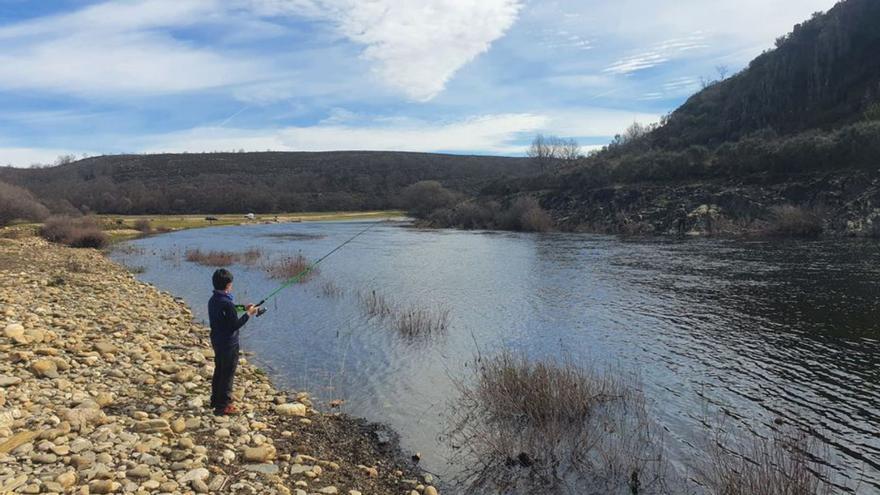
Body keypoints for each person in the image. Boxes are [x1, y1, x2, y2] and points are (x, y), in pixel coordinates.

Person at [208, 268, 257, 416]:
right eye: (231, 283)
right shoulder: (226, 303)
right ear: (228, 285)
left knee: (219, 370)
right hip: (229, 343)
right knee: (228, 374)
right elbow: (234, 324)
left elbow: (229, 311)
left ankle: (215, 400)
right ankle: (224, 406)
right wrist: (249, 313)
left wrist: (243, 307)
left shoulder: (214, 299)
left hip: (217, 340)